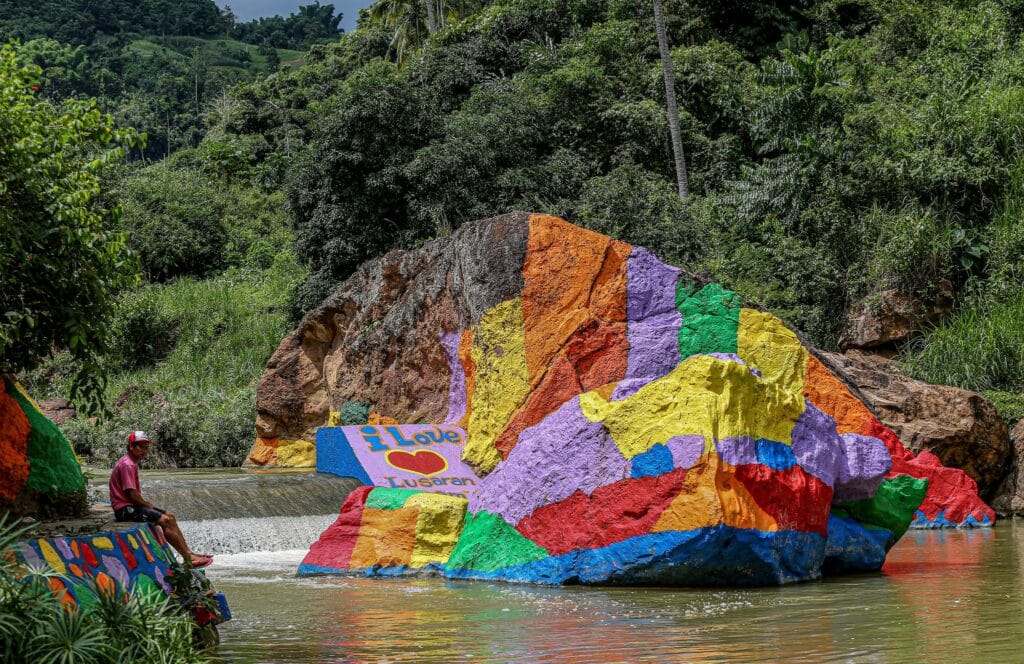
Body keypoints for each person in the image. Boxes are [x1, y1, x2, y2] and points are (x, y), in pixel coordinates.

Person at [109, 431, 213, 568]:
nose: (143, 451)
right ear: (131, 447)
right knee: (164, 520)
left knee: (170, 516)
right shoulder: (128, 465)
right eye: (140, 447)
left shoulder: (129, 463)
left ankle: (189, 553)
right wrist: (148, 505)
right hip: (125, 510)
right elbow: (132, 496)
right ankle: (188, 558)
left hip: (131, 506)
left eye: (146, 447)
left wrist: (149, 506)